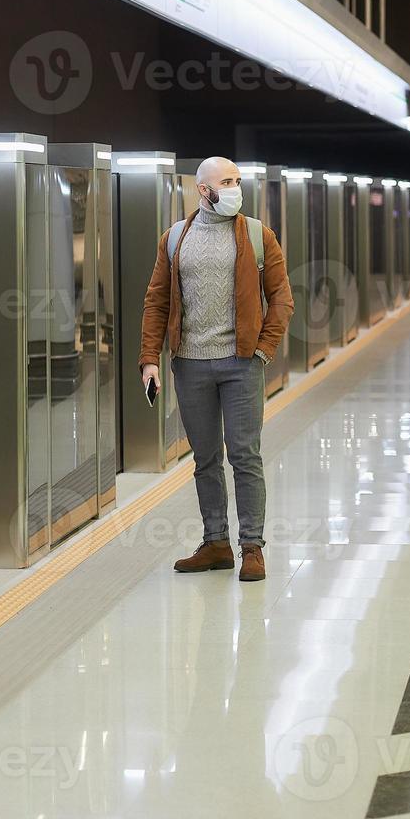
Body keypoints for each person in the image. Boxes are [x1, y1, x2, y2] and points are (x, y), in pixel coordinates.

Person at [139, 156, 293, 581]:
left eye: (238, 181)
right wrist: (149, 358)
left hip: (242, 364)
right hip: (190, 366)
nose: (235, 188)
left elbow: (281, 298)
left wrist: (263, 350)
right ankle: (216, 542)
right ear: (202, 189)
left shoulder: (259, 236)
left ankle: (253, 548)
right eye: (226, 182)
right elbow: (157, 302)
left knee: (245, 456)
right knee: (205, 459)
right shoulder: (174, 239)